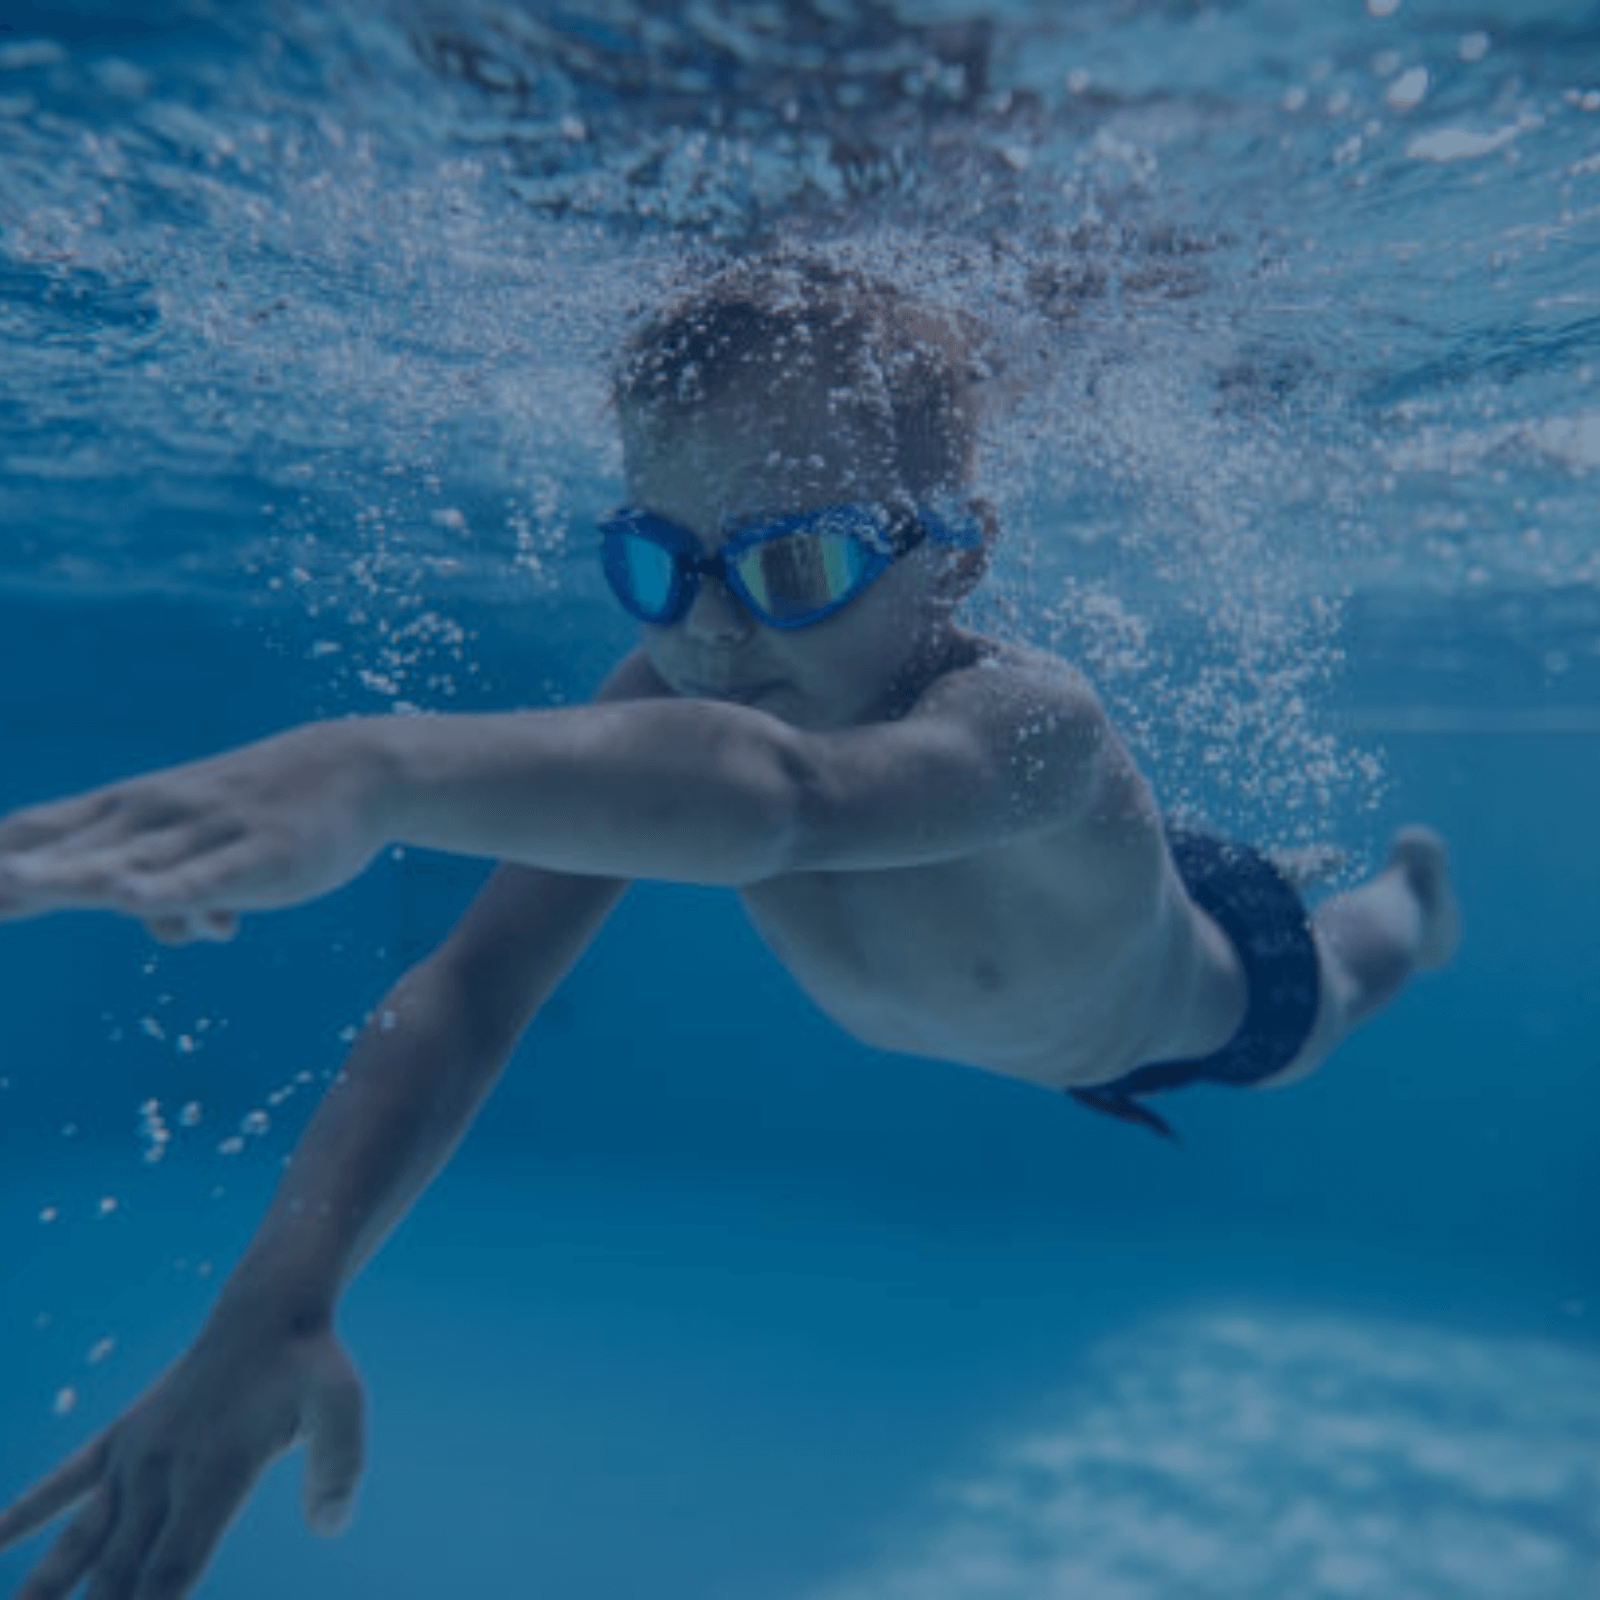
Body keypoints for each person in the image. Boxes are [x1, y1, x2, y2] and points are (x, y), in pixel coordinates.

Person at [0, 255, 1458, 1600]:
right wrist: (281, 1296)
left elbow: (789, 800)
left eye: (795, 566)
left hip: (1194, 999)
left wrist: (372, 772)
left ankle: (1408, 892)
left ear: (956, 558)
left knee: (1338, 983)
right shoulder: (685, 694)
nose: (711, 631)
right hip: (1056, 927)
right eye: (660, 564)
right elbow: (469, 987)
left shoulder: (1035, 727)